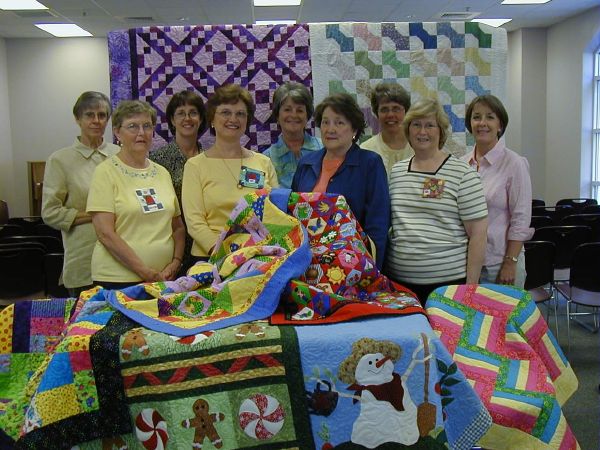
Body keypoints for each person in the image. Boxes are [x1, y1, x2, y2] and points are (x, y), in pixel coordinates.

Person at [386, 98, 488, 304]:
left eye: (429, 125)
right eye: (416, 124)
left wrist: (470, 288)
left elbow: (478, 233)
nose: (422, 132)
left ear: (440, 131)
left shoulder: (463, 174)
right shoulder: (396, 172)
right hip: (400, 285)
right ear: (408, 130)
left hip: (448, 286)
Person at [86, 100, 185, 289]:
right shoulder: (105, 172)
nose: (141, 132)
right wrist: (144, 271)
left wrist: (175, 262)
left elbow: (177, 227)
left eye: (147, 126)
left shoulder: (162, 173)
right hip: (118, 280)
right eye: (133, 126)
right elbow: (105, 233)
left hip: (163, 278)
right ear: (117, 132)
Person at [291, 92, 390, 269]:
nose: (330, 129)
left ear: (354, 129)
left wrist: (373, 269)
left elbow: (378, 224)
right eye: (325, 122)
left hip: (352, 265)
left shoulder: (370, 163)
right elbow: (291, 215)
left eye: (339, 122)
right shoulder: (306, 164)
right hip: (306, 262)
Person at [182, 84, 278, 261]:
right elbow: (195, 223)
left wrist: (255, 251)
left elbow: (276, 212)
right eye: (226, 112)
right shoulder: (195, 166)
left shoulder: (262, 162)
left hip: (258, 256)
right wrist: (225, 253)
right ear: (211, 118)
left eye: (240, 114)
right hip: (212, 257)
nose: (233, 119)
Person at [41, 91, 119, 298]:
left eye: (102, 115)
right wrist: (97, 215)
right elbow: (50, 212)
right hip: (84, 258)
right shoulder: (60, 160)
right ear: (77, 119)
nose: (96, 121)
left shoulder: (118, 155)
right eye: (89, 115)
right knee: (84, 326)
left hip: (121, 257)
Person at [462, 95, 533, 288]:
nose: (482, 123)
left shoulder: (514, 163)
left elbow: (521, 219)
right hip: (466, 265)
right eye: (477, 117)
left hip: (500, 264)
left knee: (505, 319)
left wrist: (510, 263)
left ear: (500, 125)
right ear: (470, 124)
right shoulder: (461, 164)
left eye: (490, 117)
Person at [150, 90, 207, 274]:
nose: (187, 118)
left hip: (205, 243)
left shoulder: (211, 158)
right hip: (170, 244)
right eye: (181, 113)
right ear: (172, 120)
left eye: (193, 112)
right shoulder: (157, 160)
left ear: (201, 119)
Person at [263, 82, 321, 188]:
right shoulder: (266, 159)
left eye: (299, 110)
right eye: (287, 110)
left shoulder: (324, 149)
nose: (294, 115)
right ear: (277, 115)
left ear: (307, 115)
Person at [361, 82, 413, 177]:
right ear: (377, 114)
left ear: (406, 111)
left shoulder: (419, 147)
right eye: (384, 109)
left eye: (396, 109)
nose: (390, 115)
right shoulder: (366, 150)